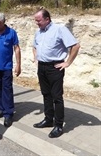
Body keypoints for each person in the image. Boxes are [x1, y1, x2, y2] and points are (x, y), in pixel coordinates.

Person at [32, 8, 80, 138]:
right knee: (46, 94)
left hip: (55, 68)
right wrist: (36, 58)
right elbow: (34, 46)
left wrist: (68, 62)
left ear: (47, 19)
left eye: (39, 20)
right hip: (42, 67)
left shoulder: (60, 29)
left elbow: (75, 46)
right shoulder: (39, 32)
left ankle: (58, 125)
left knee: (57, 97)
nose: (37, 23)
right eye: (35, 20)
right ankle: (48, 119)